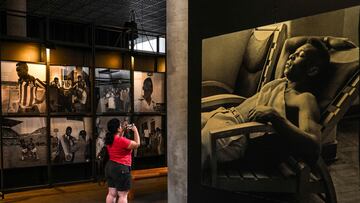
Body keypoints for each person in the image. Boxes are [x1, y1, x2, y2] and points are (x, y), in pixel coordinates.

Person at [201, 38, 332, 172]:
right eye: (295, 53)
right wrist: (327, 40)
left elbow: (314, 145)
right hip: (222, 114)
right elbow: (288, 43)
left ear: (312, 71)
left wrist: (274, 116)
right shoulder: (281, 82)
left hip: (234, 132)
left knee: (189, 152)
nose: (292, 55)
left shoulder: (304, 98)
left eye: (300, 55)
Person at [104, 118, 140, 203]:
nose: (121, 126)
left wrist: (122, 130)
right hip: (121, 168)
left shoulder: (110, 139)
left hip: (110, 167)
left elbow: (119, 139)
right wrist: (135, 130)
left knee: (111, 193)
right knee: (123, 195)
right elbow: (137, 144)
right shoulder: (121, 140)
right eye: (120, 125)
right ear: (117, 129)